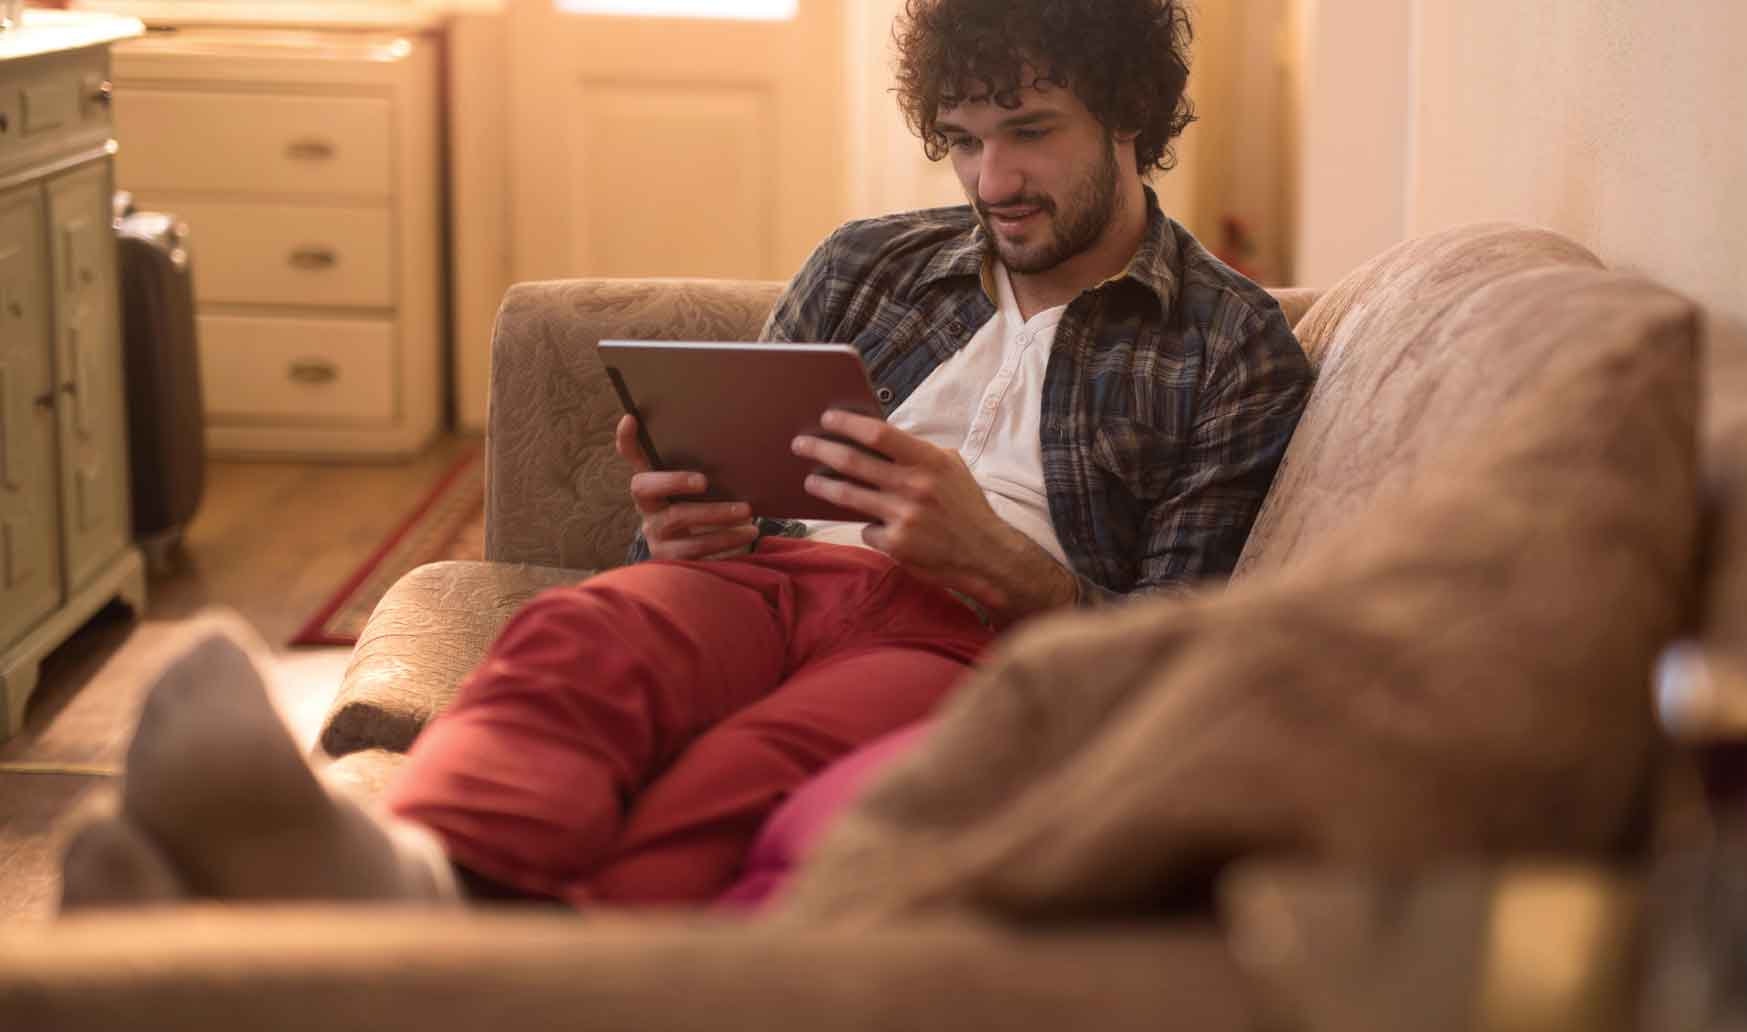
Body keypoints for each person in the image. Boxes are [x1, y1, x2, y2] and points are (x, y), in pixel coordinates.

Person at [58, 0, 1313, 910]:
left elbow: (1181, 658)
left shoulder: (1231, 345)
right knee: (578, 641)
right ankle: (408, 879)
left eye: (1029, 132)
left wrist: (993, 562)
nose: (992, 179)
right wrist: (672, 527)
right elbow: (673, 524)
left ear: (1131, 117)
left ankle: (537, 963)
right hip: (758, 577)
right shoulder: (870, 261)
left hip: (965, 635)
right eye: (962, 138)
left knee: (752, 769)